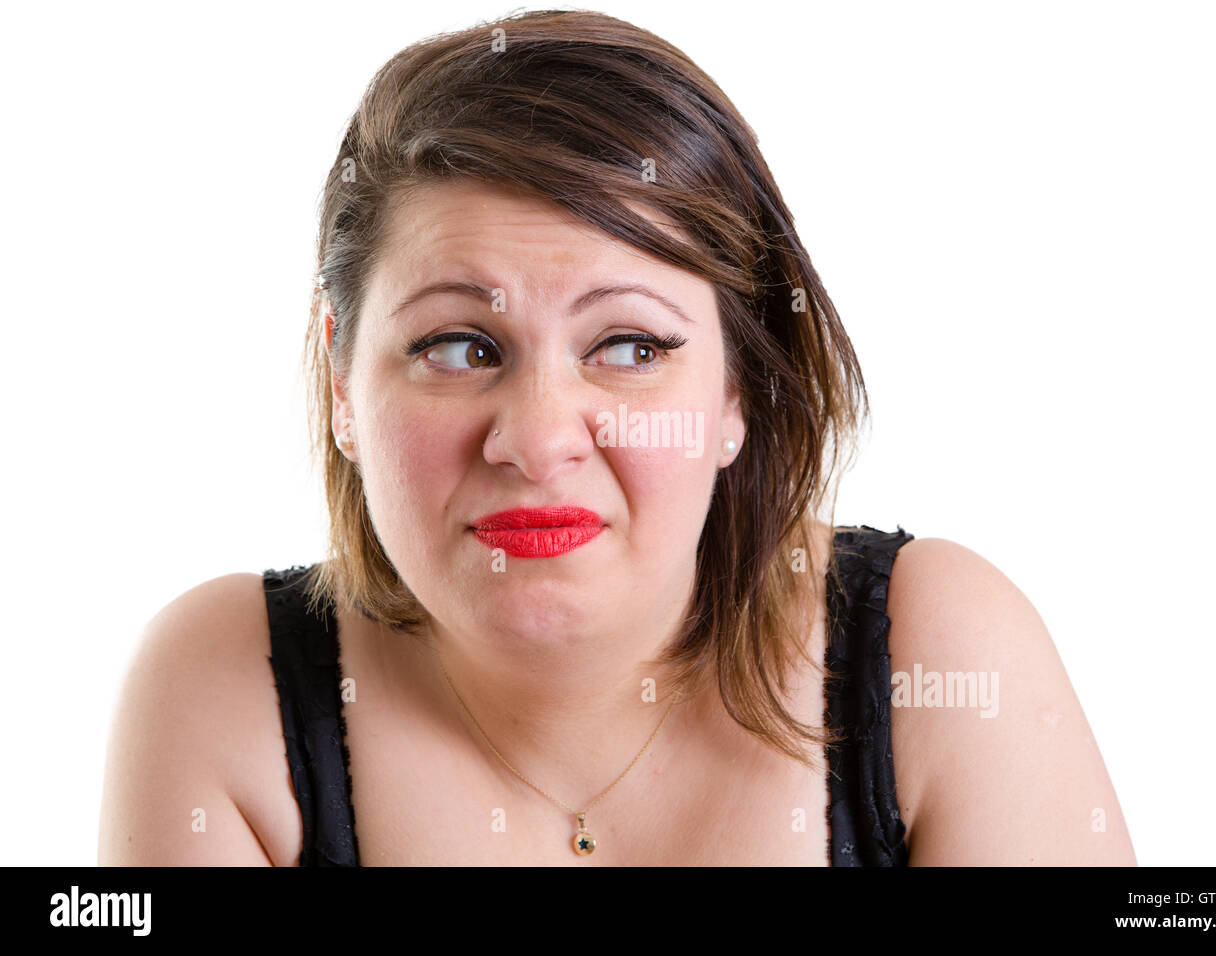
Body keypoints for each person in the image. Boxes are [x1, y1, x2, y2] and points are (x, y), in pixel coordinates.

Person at [98, 9, 1136, 866]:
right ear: (340, 382)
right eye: (459, 346)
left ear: (740, 387)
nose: (541, 439)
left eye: (631, 346)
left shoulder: (938, 650)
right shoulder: (223, 685)